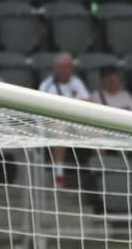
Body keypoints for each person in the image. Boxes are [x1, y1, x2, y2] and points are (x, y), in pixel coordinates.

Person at [38, 53, 92, 186]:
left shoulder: (77, 82)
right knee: (59, 127)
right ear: (55, 68)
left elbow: (88, 102)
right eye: (61, 67)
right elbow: (41, 108)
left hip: (77, 122)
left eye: (67, 67)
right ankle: (59, 172)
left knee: (97, 130)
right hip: (54, 123)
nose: (64, 70)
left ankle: (99, 171)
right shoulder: (46, 85)